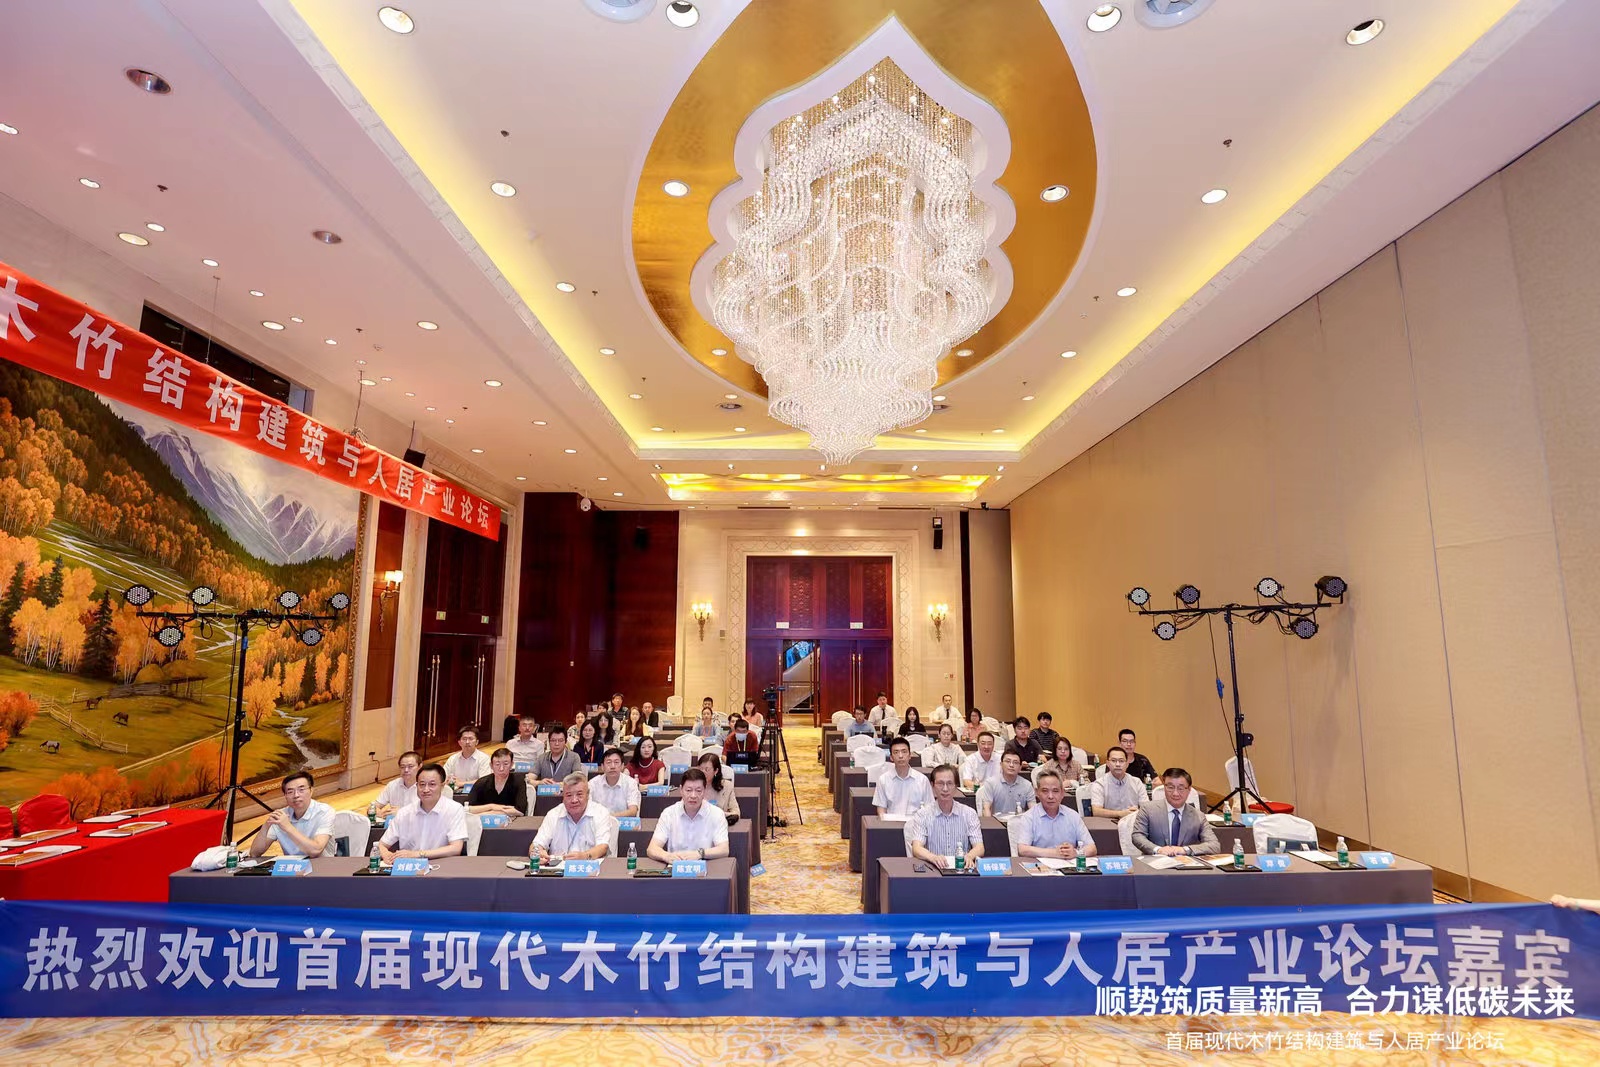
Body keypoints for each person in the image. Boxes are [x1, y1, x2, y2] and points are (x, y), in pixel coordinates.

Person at [378, 763, 468, 861]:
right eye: (422, 784)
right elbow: (382, 845)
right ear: (416, 786)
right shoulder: (404, 813)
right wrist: (387, 855)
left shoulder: (454, 809)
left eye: (432, 784)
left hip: (441, 865)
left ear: (442, 786)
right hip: (410, 867)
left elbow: (455, 848)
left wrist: (417, 854)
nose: (426, 790)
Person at [1131, 768, 1220, 857]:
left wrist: (1185, 850)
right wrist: (1158, 849)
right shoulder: (1148, 809)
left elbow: (1214, 845)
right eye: (1170, 787)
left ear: (1189, 790)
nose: (1175, 793)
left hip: (1186, 863)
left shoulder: (1198, 816)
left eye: (1181, 788)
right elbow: (1137, 836)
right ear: (1164, 787)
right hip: (1154, 861)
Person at [907, 765, 983, 869]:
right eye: (940, 783)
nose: (945, 789)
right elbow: (916, 848)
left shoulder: (969, 813)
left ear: (956, 786)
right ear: (932, 786)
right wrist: (933, 857)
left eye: (950, 783)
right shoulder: (922, 814)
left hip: (961, 869)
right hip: (934, 870)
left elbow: (979, 847)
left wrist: (969, 856)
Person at [647, 767, 729, 863]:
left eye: (698, 791)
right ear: (681, 790)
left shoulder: (716, 814)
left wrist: (700, 853)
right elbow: (652, 848)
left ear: (704, 790)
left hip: (706, 867)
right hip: (676, 867)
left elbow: (724, 849)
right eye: (689, 790)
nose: (693, 796)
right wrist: (667, 856)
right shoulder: (669, 813)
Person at [531, 773, 616, 862]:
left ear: (588, 795)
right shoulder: (553, 814)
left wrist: (584, 856)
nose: (574, 800)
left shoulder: (600, 812)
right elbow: (536, 844)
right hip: (558, 868)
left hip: (589, 867)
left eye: (579, 794)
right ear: (563, 797)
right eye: (569, 795)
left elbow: (603, 846)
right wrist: (538, 853)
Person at [1015, 770, 1097, 861]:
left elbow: (1092, 848)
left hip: (1068, 867)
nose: (1050, 796)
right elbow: (1023, 850)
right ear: (1037, 792)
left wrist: (1076, 853)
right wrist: (1054, 853)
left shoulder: (1073, 815)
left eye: (1055, 791)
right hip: (1041, 867)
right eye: (1045, 791)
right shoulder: (1029, 817)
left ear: (1062, 793)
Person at [249, 771, 333, 858]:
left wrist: (287, 827)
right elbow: (254, 853)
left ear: (311, 791)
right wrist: (266, 826)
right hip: (293, 865)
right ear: (285, 796)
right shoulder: (281, 816)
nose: (296, 795)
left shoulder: (324, 811)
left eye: (301, 790)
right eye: (290, 792)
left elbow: (316, 851)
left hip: (323, 864)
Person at [873, 737, 931, 817]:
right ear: (891, 757)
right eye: (896, 752)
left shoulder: (922, 780)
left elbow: (929, 808)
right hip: (891, 823)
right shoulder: (883, 780)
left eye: (904, 752)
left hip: (916, 823)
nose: (900, 756)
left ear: (910, 755)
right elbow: (881, 810)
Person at [466, 747, 527, 817]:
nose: (501, 768)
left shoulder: (518, 781)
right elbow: (467, 809)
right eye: (497, 764)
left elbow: (520, 811)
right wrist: (491, 806)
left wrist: (487, 813)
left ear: (511, 765)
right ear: (491, 765)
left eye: (506, 764)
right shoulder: (482, 782)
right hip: (483, 822)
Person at [1090, 746, 1147, 819]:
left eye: (1121, 761)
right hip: (1108, 823)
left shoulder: (1137, 782)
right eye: (1113, 761)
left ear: (1127, 764)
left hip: (1132, 821)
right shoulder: (1099, 784)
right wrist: (1120, 814)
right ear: (1107, 763)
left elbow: (1146, 808)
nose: (1117, 764)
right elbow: (1096, 811)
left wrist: (1137, 812)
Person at [978, 751, 1035, 817]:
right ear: (1001, 764)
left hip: (1019, 822)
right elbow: (986, 809)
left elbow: (1033, 810)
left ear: (1020, 767)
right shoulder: (990, 783)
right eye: (1008, 761)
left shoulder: (1027, 785)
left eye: (1015, 762)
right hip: (996, 822)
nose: (1011, 765)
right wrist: (990, 823)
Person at [589, 747, 641, 817]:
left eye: (616, 762)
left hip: (621, 822)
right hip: (599, 823)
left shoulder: (630, 783)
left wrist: (610, 817)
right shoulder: (593, 783)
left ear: (622, 766)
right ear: (602, 767)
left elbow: (633, 811)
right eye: (608, 762)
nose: (612, 766)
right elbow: (587, 809)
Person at [696, 752, 741, 823]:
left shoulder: (727, 786)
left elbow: (736, 812)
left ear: (716, 771)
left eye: (707, 769)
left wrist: (718, 814)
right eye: (700, 769)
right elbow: (684, 808)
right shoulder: (693, 785)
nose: (703, 772)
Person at [375, 750, 421, 818]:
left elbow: (427, 814)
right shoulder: (392, 785)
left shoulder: (426, 787)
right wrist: (378, 812)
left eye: (410, 766)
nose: (406, 770)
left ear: (420, 766)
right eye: (402, 767)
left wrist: (401, 813)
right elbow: (374, 806)